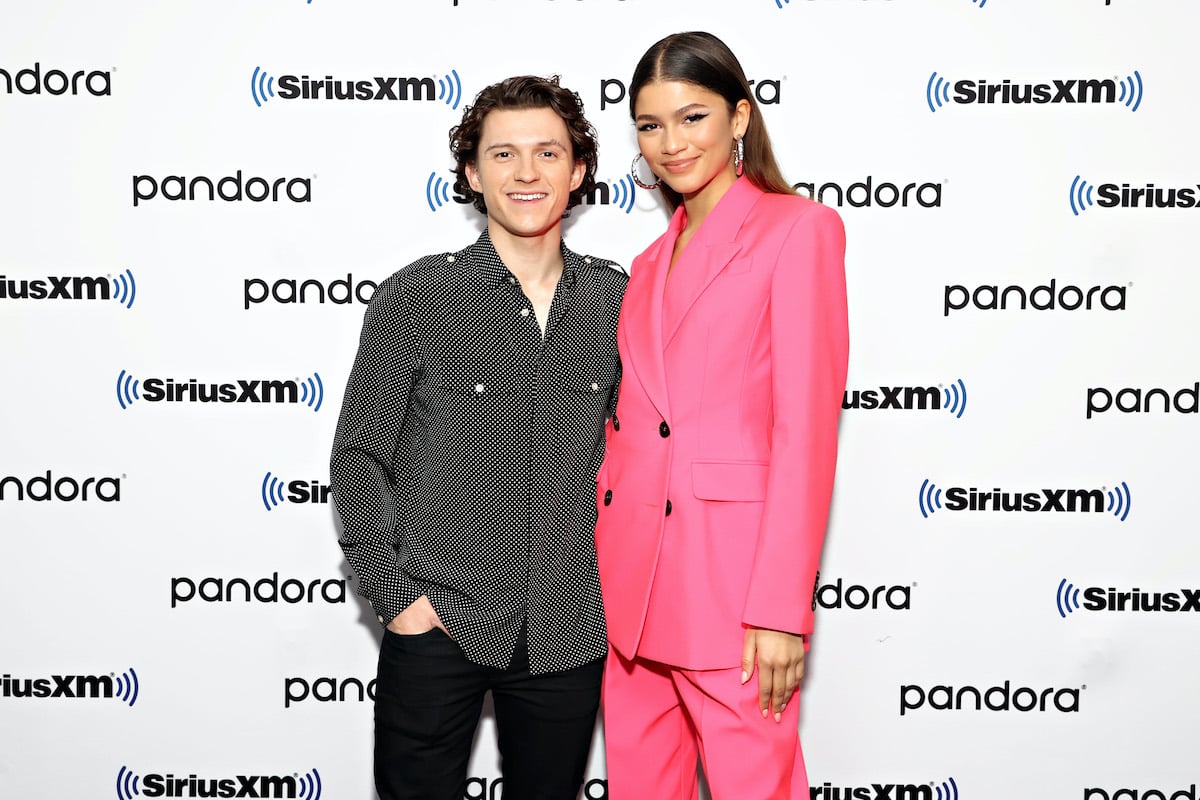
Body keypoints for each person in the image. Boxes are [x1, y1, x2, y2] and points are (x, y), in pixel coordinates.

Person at [329, 75, 626, 800]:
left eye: (548, 153)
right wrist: (397, 598)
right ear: (471, 172)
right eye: (503, 154)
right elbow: (359, 457)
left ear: (578, 171)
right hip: (440, 617)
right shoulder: (418, 294)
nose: (527, 173)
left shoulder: (619, 300)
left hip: (571, 625)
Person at [594, 32, 849, 799]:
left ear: (739, 117)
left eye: (692, 117)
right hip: (631, 598)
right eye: (650, 125)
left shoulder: (797, 229)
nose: (670, 143)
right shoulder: (646, 265)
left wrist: (780, 611)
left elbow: (805, 435)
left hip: (732, 596)